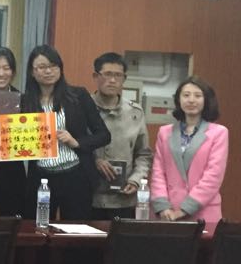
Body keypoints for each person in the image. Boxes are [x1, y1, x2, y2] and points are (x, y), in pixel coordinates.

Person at [20, 44, 111, 222]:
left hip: (76, 175)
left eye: (53, 66)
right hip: (41, 177)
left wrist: (76, 142)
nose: (48, 71)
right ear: (32, 72)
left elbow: (104, 135)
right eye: (42, 67)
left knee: (75, 230)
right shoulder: (24, 102)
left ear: (60, 68)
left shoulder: (78, 95)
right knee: (39, 229)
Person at [150, 76, 228, 232]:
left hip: (204, 212)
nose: (191, 100)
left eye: (197, 96)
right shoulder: (164, 132)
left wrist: (184, 209)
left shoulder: (219, 133)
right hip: (167, 213)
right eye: (186, 95)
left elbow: (213, 176)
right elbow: (158, 172)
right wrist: (163, 206)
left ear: (206, 100)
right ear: (178, 100)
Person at [90, 52, 152, 220]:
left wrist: (136, 180)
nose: (112, 80)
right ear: (95, 76)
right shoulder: (82, 108)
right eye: (107, 74)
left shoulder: (135, 112)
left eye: (118, 75)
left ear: (124, 79)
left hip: (124, 199)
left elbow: (144, 154)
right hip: (89, 197)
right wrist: (94, 160)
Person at [0, 47, 27, 217]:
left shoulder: (23, 99)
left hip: (12, 172)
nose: (1, 73)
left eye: (6, 68)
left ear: (13, 72)